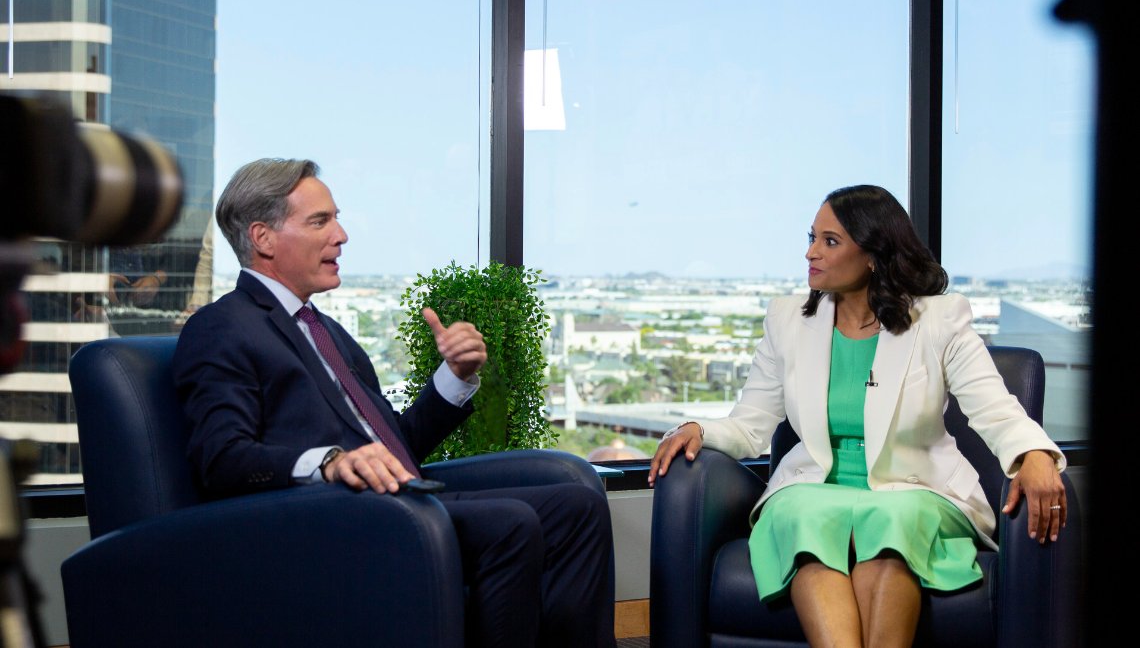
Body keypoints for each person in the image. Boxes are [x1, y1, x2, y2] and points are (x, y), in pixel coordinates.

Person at [172, 157, 616, 648]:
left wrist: (456, 376)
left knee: (578, 504)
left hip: (397, 500)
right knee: (511, 525)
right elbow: (221, 458)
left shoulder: (329, 333)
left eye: (336, 218)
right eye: (320, 221)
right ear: (263, 238)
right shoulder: (221, 327)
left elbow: (396, 446)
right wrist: (331, 463)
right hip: (323, 521)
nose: (341, 235)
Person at [648, 184, 1067, 648]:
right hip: (814, 488)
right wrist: (697, 429)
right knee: (805, 518)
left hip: (912, 488)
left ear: (872, 254)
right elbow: (749, 425)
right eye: (811, 237)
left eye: (830, 241)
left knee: (890, 524)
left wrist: (1033, 452)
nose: (811, 252)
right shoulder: (787, 321)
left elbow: (994, 406)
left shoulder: (939, 318)